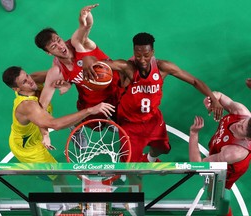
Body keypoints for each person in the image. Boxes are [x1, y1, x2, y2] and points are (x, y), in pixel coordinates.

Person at [83, 32, 223, 163]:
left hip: (153, 120)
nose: (142, 60)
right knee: (130, 166)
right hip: (130, 124)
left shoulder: (163, 67)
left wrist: (214, 99)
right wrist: (87, 60)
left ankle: (149, 159)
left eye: (146, 55)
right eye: (138, 56)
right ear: (134, 53)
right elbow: (94, 60)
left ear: (153, 53)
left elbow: (194, 81)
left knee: (163, 148)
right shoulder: (126, 67)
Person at [34, 4, 120, 137]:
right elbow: (42, 106)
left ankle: (108, 120)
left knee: (125, 116)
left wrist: (84, 15)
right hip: (92, 101)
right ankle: (76, 128)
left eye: (59, 40)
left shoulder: (79, 43)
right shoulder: (56, 72)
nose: (60, 46)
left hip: (117, 88)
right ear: (48, 53)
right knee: (96, 126)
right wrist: (44, 133)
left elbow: (86, 26)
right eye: (53, 46)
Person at [2, 65, 115, 165]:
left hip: (38, 128)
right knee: (57, 177)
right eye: (24, 82)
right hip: (29, 149)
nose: (30, 81)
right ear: (16, 89)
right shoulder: (28, 106)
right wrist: (90, 110)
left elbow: (64, 72)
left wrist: (67, 84)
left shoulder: (33, 80)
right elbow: (54, 124)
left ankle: (79, 126)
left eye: (27, 75)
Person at [189, 92, 251, 216]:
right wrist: (212, 101)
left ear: (248, 139)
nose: (240, 123)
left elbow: (198, 166)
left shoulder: (233, 153)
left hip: (230, 168)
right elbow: (220, 96)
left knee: (216, 194)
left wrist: (194, 134)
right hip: (221, 146)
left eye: (242, 128)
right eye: (245, 121)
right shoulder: (242, 113)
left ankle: (226, 214)